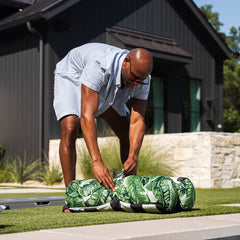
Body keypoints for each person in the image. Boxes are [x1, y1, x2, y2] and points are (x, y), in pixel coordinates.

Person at [53, 42, 153, 194]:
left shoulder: (142, 78)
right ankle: (71, 195)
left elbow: (137, 120)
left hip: (105, 83)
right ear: (126, 62)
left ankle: (128, 190)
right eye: (134, 79)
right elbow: (87, 116)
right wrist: (97, 162)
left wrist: (133, 156)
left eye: (140, 80)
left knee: (126, 131)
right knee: (70, 126)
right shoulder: (100, 65)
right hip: (73, 73)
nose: (136, 85)